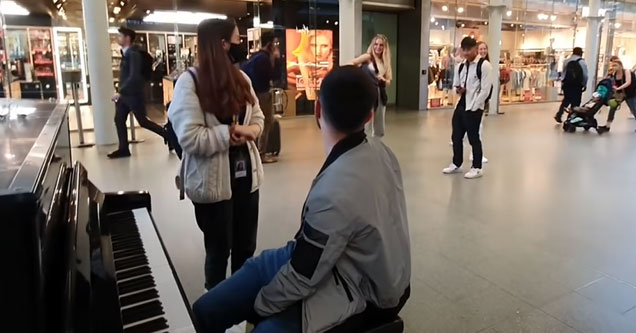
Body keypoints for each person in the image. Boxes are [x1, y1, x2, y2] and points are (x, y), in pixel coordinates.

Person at [192, 66, 411, 333]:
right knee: (210, 306)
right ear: (369, 116)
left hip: (363, 288)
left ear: (317, 110)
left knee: (265, 326)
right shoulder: (382, 151)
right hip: (337, 254)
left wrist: (260, 307)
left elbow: (304, 274)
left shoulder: (335, 191)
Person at [168, 18, 264, 290]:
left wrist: (250, 131)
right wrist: (228, 135)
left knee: (246, 247)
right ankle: (217, 306)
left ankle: (241, 298)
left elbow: (258, 117)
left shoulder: (242, 78)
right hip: (212, 183)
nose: (241, 45)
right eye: (237, 40)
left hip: (247, 178)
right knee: (219, 250)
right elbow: (190, 136)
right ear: (222, 44)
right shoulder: (190, 83)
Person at [108, 27, 167, 159]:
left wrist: (120, 91)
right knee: (119, 119)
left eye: (120, 36)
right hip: (126, 95)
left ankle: (168, 135)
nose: (118, 38)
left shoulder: (133, 54)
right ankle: (123, 148)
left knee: (143, 122)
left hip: (133, 95)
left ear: (127, 38)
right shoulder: (126, 53)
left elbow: (134, 76)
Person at [443, 37, 492, 179]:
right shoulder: (461, 66)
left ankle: (477, 167)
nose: (466, 53)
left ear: (475, 49)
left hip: (474, 107)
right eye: (463, 49)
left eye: (468, 49)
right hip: (461, 105)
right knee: (456, 136)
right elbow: (456, 85)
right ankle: (456, 163)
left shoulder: (484, 66)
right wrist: (459, 90)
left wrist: (476, 106)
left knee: (473, 138)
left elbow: (485, 90)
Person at [242, 32, 283, 163]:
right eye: (275, 43)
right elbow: (275, 75)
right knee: (265, 122)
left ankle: (257, 153)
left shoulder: (256, 57)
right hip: (263, 93)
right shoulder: (265, 59)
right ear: (270, 44)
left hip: (255, 92)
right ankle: (261, 154)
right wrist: (277, 60)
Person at [351, 34, 393, 138]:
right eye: (376, 44)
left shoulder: (385, 62)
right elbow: (352, 63)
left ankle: (377, 145)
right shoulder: (368, 57)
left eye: (381, 45)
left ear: (384, 47)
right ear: (372, 45)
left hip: (380, 94)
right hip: (367, 92)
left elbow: (388, 81)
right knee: (366, 121)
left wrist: (383, 80)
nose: (378, 47)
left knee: (379, 123)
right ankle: (364, 143)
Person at [597, 60, 636, 133]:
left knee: (634, 109)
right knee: (613, 107)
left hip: (630, 93)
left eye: (616, 65)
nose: (614, 67)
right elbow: (614, 83)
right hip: (620, 94)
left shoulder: (626, 71)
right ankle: (607, 126)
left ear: (621, 66)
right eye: (613, 65)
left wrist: (618, 88)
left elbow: (628, 82)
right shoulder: (614, 74)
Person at [554, 47, 588, 123]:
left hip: (567, 84)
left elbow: (563, 73)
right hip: (577, 85)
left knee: (566, 100)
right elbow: (585, 75)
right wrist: (584, 84)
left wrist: (563, 83)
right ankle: (571, 119)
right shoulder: (582, 62)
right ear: (581, 53)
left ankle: (559, 114)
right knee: (575, 103)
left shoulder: (566, 61)